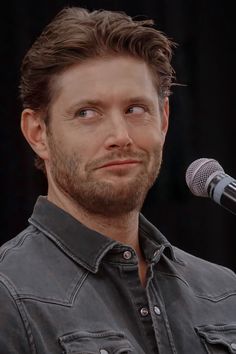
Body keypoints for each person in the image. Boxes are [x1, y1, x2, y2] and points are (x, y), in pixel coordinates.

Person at [0, 6, 236, 354]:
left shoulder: (224, 291)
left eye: (135, 109)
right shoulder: (7, 293)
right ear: (38, 133)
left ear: (164, 120)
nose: (120, 135)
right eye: (87, 113)